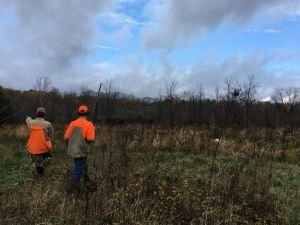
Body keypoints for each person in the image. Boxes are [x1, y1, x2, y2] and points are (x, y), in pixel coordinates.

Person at [64, 105, 95, 193]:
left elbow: (66, 137)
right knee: (78, 169)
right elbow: (90, 139)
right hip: (82, 151)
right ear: (87, 113)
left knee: (83, 166)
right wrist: (92, 128)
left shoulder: (72, 123)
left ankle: (87, 182)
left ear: (79, 113)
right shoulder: (89, 125)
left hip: (72, 150)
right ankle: (70, 189)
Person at [26, 107, 54, 176]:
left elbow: (27, 120)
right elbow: (52, 134)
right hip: (44, 146)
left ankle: (33, 175)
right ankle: (42, 166)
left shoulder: (31, 122)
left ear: (36, 114)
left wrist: (28, 117)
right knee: (49, 156)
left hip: (33, 146)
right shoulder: (48, 124)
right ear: (44, 114)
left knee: (33, 160)